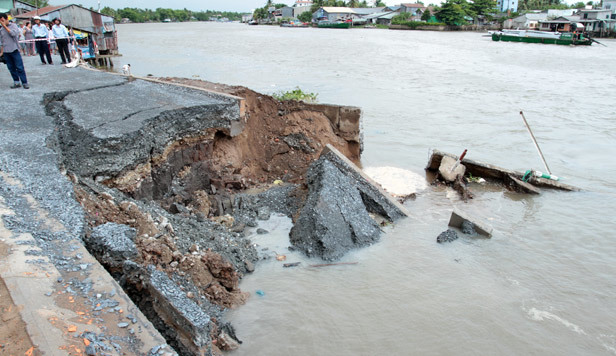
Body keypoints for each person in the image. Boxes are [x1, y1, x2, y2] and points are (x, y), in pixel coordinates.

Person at [0, 13, 29, 89]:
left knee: (19, 67)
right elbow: (2, 42)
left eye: (2, 19)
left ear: (6, 19)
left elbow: (13, 34)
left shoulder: (13, 26)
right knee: (11, 67)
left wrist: (5, 26)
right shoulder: (1, 29)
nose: (1, 22)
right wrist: (1, 52)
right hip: (6, 51)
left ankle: (24, 82)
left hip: (14, 49)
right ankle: (16, 82)